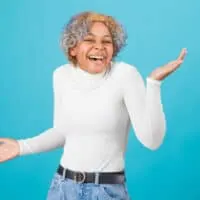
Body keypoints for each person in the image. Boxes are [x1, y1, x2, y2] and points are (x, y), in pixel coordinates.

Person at [0, 11, 187, 200]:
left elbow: (152, 141)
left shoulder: (125, 75)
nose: (99, 48)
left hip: (106, 191)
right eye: (90, 40)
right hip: (62, 187)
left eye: (106, 42)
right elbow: (62, 132)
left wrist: (154, 83)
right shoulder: (61, 75)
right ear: (73, 48)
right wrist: (21, 147)